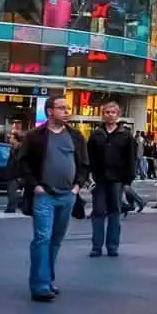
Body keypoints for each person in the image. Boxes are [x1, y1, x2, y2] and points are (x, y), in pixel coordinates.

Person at [14, 96, 89, 302]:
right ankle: (39, 286)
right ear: (49, 111)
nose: (66, 112)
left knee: (55, 240)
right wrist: (35, 185)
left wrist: (77, 186)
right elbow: (22, 163)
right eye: (61, 108)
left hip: (68, 196)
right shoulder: (36, 136)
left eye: (67, 108)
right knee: (42, 238)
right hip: (45, 195)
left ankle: (47, 279)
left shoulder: (75, 136)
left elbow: (84, 163)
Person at [87, 101, 135, 257]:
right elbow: (89, 157)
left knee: (115, 211)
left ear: (118, 115)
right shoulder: (95, 135)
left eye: (113, 112)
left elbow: (131, 159)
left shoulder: (126, 135)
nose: (110, 115)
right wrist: (88, 177)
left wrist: (128, 181)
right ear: (102, 115)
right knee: (98, 212)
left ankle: (113, 246)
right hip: (99, 178)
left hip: (117, 179)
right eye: (107, 112)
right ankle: (96, 246)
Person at [5, 130, 26, 214]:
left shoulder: (20, 149)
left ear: (16, 139)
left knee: (12, 191)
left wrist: (20, 175)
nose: (9, 139)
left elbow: (20, 162)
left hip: (16, 174)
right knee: (11, 191)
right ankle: (17, 205)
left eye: (11, 138)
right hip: (12, 173)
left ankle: (11, 208)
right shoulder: (12, 148)